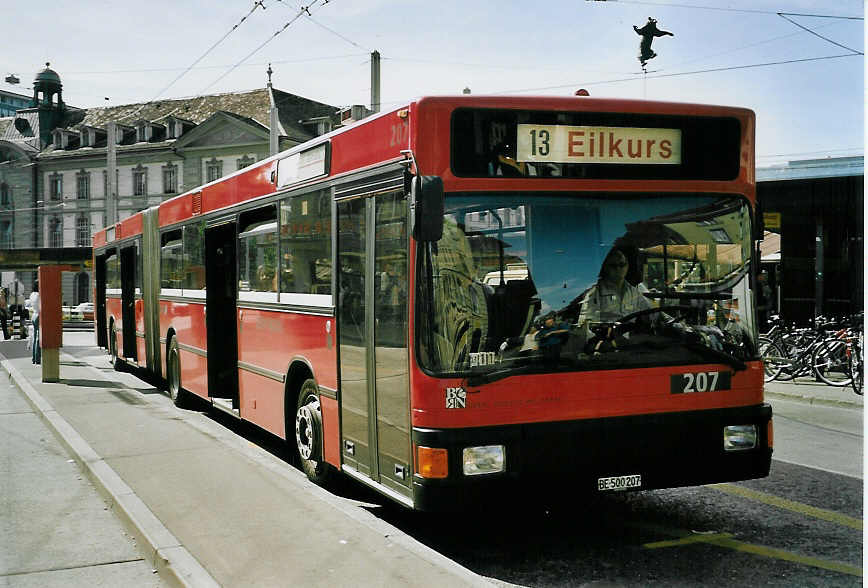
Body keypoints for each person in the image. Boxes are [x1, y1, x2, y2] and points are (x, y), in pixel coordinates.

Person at [579, 248, 653, 324]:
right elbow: (587, 325)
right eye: (613, 265)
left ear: (627, 266)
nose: (618, 269)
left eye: (622, 265)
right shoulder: (595, 293)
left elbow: (651, 314)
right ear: (605, 267)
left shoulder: (634, 292)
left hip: (631, 331)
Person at [29, 281, 40, 364]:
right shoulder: (39, 295)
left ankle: (34, 358)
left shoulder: (32, 294)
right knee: (38, 338)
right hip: (39, 315)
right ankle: (37, 358)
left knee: (34, 337)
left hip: (34, 315)